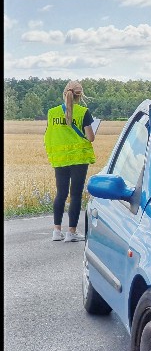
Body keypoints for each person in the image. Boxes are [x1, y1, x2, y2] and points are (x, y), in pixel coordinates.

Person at [44, 80, 96, 242]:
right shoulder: (83, 112)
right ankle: (71, 232)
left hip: (60, 159)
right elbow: (90, 137)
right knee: (75, 195)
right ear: (80, 95)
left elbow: (49, 134)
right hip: (79, 159)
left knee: (61, 193)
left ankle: (56, 231)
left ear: (64, 92)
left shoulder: (52, 113)